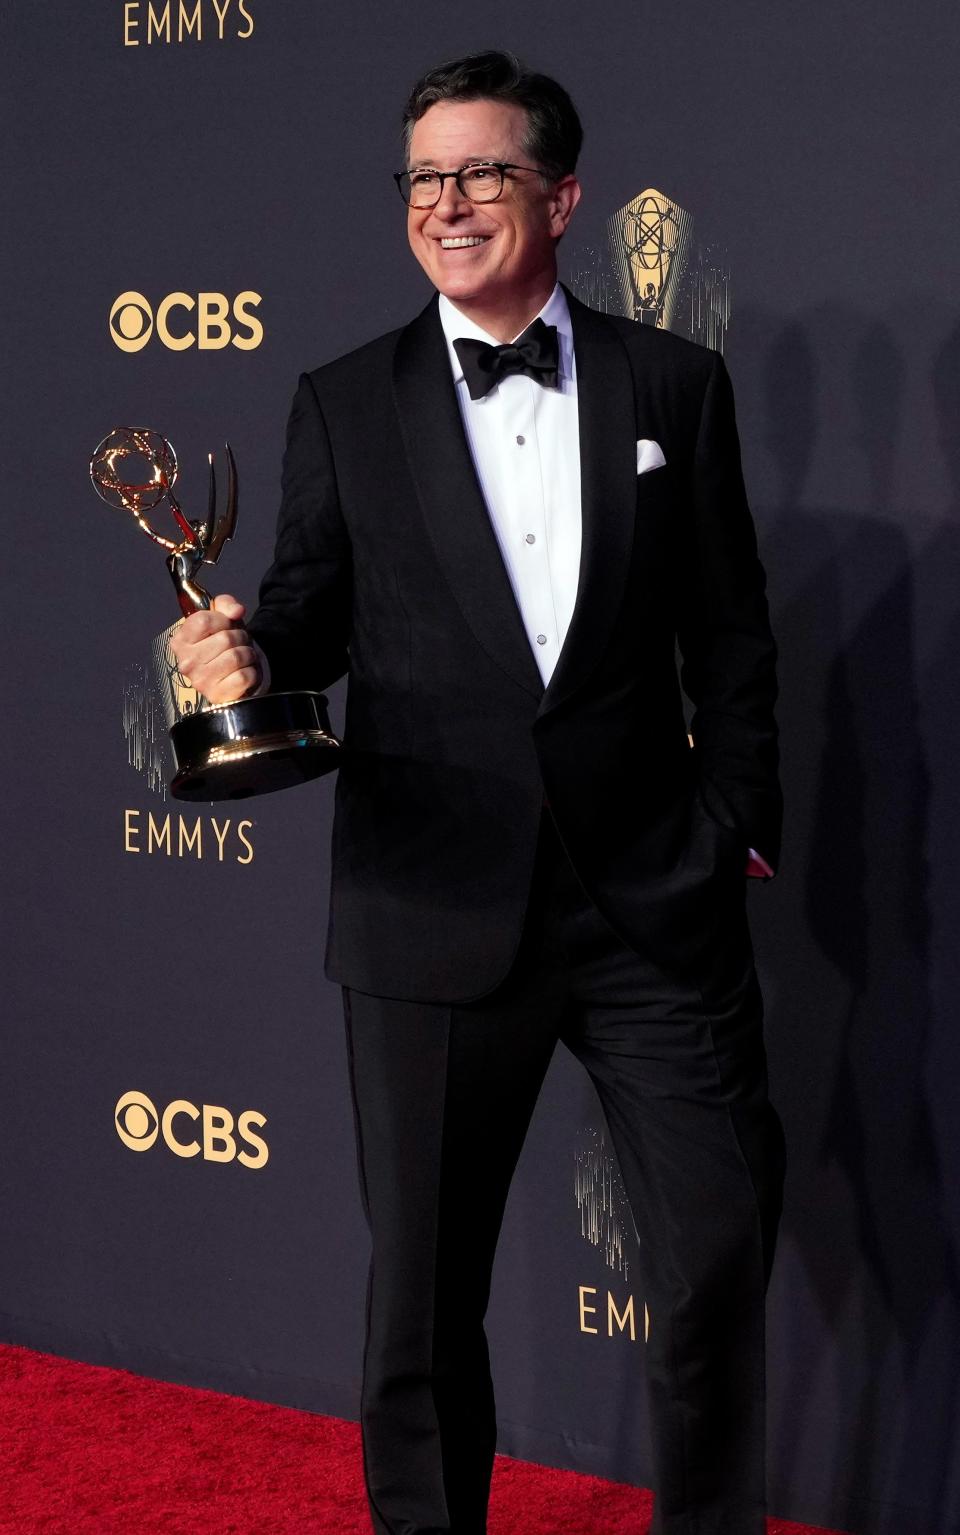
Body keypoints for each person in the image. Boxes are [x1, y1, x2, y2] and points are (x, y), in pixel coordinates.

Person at [171, 50, 786, 1535]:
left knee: (713, 1261)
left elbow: (735, 630)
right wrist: (228, 659)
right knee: (424, 1308)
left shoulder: (673, 385)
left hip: (651, 904)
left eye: (485, 172)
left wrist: (734, 827)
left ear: (561, 196)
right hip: (431, 904)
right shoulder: (343, 400)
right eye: (425, 178)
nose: (449, 204)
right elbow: (310, 623)